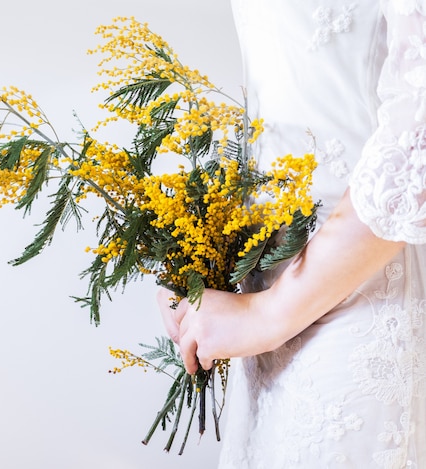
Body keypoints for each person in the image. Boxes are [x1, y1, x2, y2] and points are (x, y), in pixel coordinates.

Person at [157, 1, 426, 467]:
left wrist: (268, 315)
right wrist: (201, 252)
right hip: (259, 289)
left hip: (356, 292)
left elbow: (416, 130)